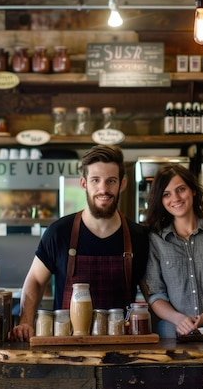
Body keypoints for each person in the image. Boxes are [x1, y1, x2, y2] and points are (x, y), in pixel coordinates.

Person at [11, 145, 149, 342]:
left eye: (111, 181)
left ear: (122, 184)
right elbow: (35, 279)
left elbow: (152, 293)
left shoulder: (139, 236)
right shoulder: (59, 232)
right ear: (84, 183)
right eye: (95, 180)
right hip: (66, 348)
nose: (103, 189)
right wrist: (26, 321)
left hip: (121, 348)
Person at [142, 164, 203, 338]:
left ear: (193, 191)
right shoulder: (155, 239)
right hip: (171, 336)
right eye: (166, 194)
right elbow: (155, 294)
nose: (176, 198)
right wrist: (179, 319)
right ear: (161, 200)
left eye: (181, 189)